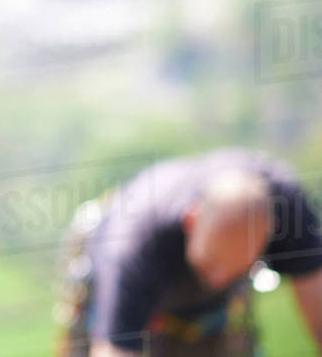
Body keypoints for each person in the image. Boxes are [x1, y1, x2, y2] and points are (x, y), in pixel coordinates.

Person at [55, 149, 322, 356]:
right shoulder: (132, 243)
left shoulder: (288, 208)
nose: (219, 279)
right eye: (213, 263)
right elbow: (113, 350)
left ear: (270, 234)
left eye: (237, 268)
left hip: (205, 318)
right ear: (191, 220)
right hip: (123, 282)